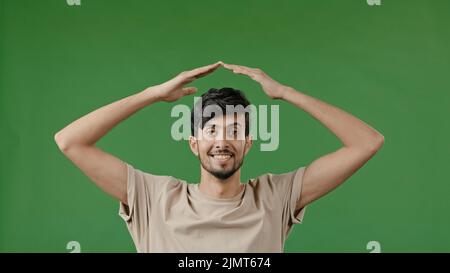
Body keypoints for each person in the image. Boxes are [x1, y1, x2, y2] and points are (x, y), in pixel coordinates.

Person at [54, 61, 384, 252]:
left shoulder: (275, 197)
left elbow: (366, 142)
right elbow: (70, 141)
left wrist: (285, 93)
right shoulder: (154, 198)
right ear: (193, 143)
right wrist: (152, 94)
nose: (222, 141)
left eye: (235, 131)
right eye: (211, 131)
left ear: (249, 142)